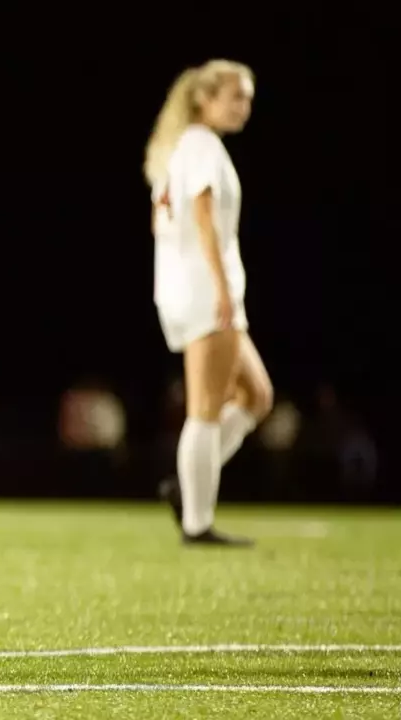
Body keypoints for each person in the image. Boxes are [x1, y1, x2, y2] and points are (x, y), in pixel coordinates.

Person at [147, 60, 272, 546]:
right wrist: (222, 289)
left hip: (185, 287)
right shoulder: (200, 145)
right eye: (235, 96)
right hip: (205, 289)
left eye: (248, 98)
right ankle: (197, 523)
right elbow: (202, 215)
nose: (244, 107)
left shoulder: (178, 149)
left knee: (257, 396)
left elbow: (161, 219)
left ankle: (188, 484)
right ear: (204, 98)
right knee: (204, 407)